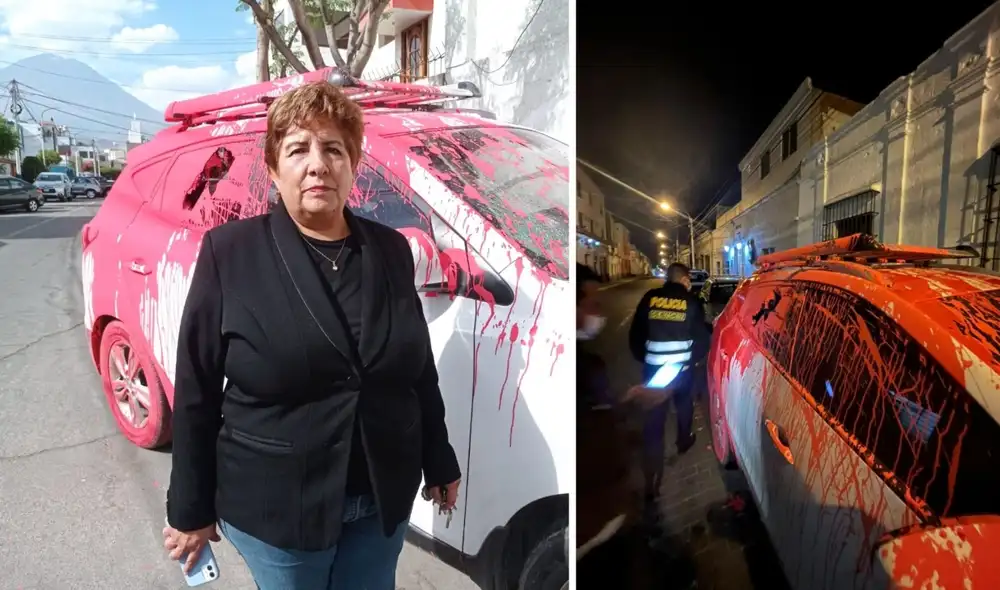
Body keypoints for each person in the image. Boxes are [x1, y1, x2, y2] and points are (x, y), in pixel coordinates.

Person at [162, 81, 462, 590]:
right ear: (274, 168)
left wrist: (439, 458)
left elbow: (417, 368)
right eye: (299, 149)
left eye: (334, 149)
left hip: (380, 498)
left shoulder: (389, 251)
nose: (318, 164)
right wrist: (189, 507)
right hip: (277, 509)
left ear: (353, 165)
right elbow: (197, 389)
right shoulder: (230, 253)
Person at [627, 262, 709, 524]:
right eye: (688, 280)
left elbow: (636, 336)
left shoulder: (650, 298)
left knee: (653, 425)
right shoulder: (691, 302)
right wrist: (690, 361)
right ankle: (683, 439)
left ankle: (651, 481)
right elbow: (702, 340)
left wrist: (648, 360)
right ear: (684, 279)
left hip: (654, 373)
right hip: (681, 371)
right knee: (684, 405)